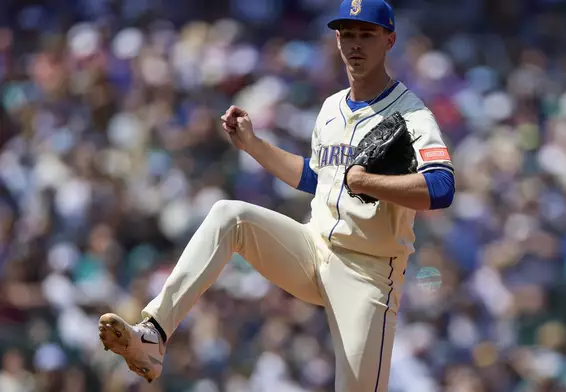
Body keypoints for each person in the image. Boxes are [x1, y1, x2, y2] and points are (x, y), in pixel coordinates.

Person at [97, 0, 455, 390]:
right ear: (336, 40)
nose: (355, 44)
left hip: (369, 272)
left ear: (389, 40)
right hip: (314, 247)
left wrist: (371, 183)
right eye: (347, 34)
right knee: (229, 216)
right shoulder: (331, 108)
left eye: (366, 34)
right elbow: (317, 179)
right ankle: (153, 335)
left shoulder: (411, 114)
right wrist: (254, 146)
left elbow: (441, 187)